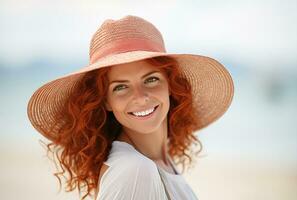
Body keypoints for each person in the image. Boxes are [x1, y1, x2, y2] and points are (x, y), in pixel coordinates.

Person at [27, 15, 234, 200]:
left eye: (151, 79)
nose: (141, 97)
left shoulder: (157, 162)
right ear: (106, 101)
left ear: (171, 84)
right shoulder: (135, 170)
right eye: (121, 87)